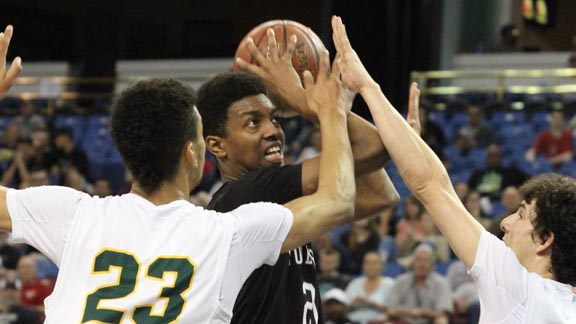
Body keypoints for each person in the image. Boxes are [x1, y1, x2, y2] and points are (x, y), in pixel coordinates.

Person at [0, 25, 360, 322]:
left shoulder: (74, 215)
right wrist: (328, 111)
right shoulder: (228, 234)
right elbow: (339, 201)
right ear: (192, 154)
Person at [332, 15, 576, 323]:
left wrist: (366, 85)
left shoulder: (520, 288)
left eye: (522, 215)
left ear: (545, 241)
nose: (505, 222)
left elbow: (431, 185)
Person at [198, 24, 420, 323]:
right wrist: (311, 103)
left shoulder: (277, 197)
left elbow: (379, 195)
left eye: (274, 118)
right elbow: (377, 148)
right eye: (253, 123)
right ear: (217, 145)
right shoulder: (248, 194)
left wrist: (325, 111)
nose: (272, 131)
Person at [385, 244, 453, 324]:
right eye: (418, 260)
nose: (422, 264)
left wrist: (422, 313)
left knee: (442, 320)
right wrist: (402, 311)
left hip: (429, 321)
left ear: (432, 264)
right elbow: (389, 309)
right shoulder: (401, 281)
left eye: (426, 260)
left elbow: (443, 312)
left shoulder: (441, 283)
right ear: (413, 263)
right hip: (404, 321)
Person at [344, 251, 394, 324]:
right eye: (367, 263)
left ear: (382, 266)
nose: (370, 266)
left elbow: (392, 310)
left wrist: (370, 303)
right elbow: (343, 308)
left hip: (378, 321)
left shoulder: (389, 284)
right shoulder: (354, 283)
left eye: (374, 263)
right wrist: (353, 304)